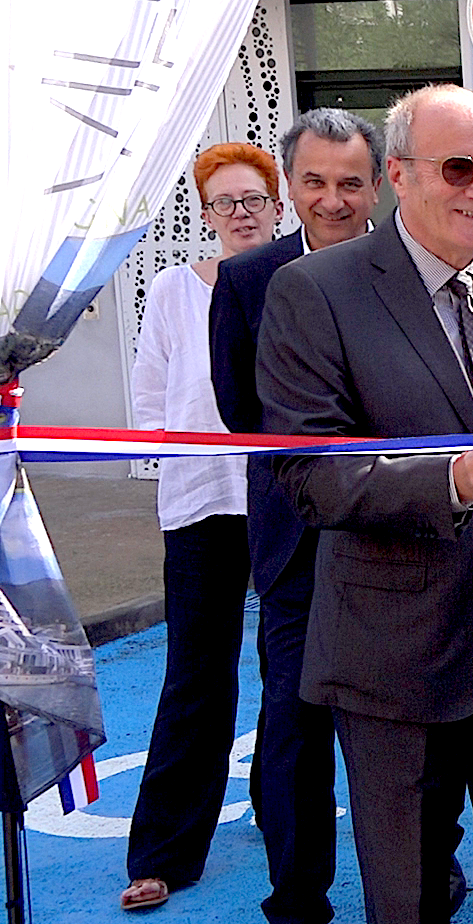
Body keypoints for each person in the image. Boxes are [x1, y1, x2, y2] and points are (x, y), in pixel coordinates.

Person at [254, 84, 473, 924]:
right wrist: (449, 481)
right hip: (394, 661)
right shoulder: (315, 292)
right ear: (400, 177)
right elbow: (308, 473)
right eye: (460, 168)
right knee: (409, 898)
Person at [208, 108, 406, 924]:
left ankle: (425, 871)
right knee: (292, 726)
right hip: (294, 542)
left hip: (398, 534)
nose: (333, 200)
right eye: (315, 182)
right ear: (290, 186)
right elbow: (237, 407)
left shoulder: (410, 270)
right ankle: (297, 894)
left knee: (402, 728)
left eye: (349, 183)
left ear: (381, 184)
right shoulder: (249, 282)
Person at [122, 142, 280, 911]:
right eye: (226, 202)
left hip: (289, 501)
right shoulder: (170, 291)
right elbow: (151, 397)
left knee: (297, 678)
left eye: (253, 199)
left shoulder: (304, 281)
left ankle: (286, 821)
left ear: (278, 205)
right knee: (194, 676)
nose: (242, 214)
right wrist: (180, 459)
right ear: (207, 214)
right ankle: (163, 851)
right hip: (200, 502)